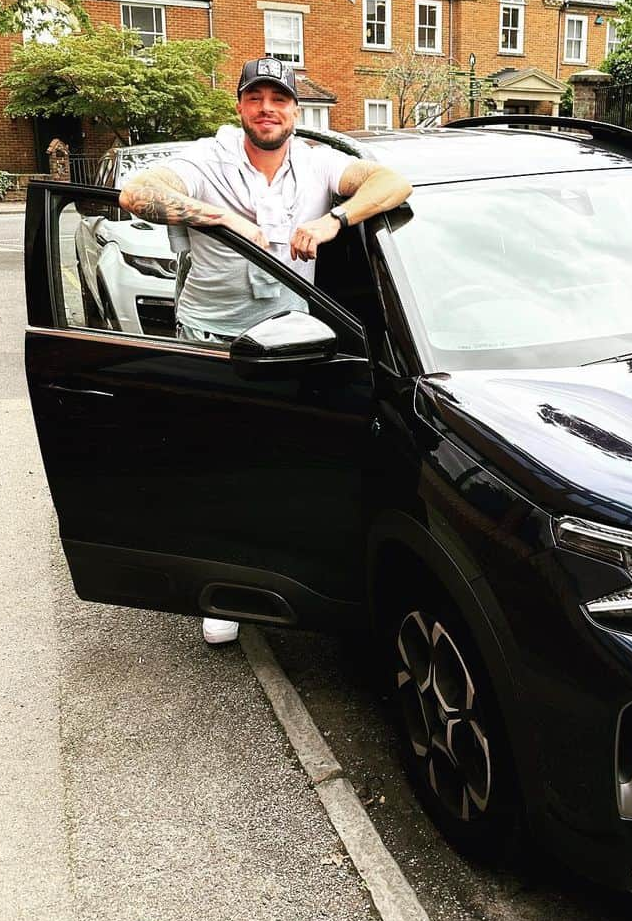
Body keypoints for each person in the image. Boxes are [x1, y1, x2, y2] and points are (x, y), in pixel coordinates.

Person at [118, 55, 412, 645]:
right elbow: (136, 193)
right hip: (212, 338)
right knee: (213, 463)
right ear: (241, 106)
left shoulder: (318, 163)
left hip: (293, 337)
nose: (267, 109)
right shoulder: (208, 159)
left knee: (280, 463)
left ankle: (284, 570)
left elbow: (392, 182)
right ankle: (220, 590)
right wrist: (220, 217)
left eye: (279, 99)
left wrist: (336, 220)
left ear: (296, 111)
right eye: (256, 98)